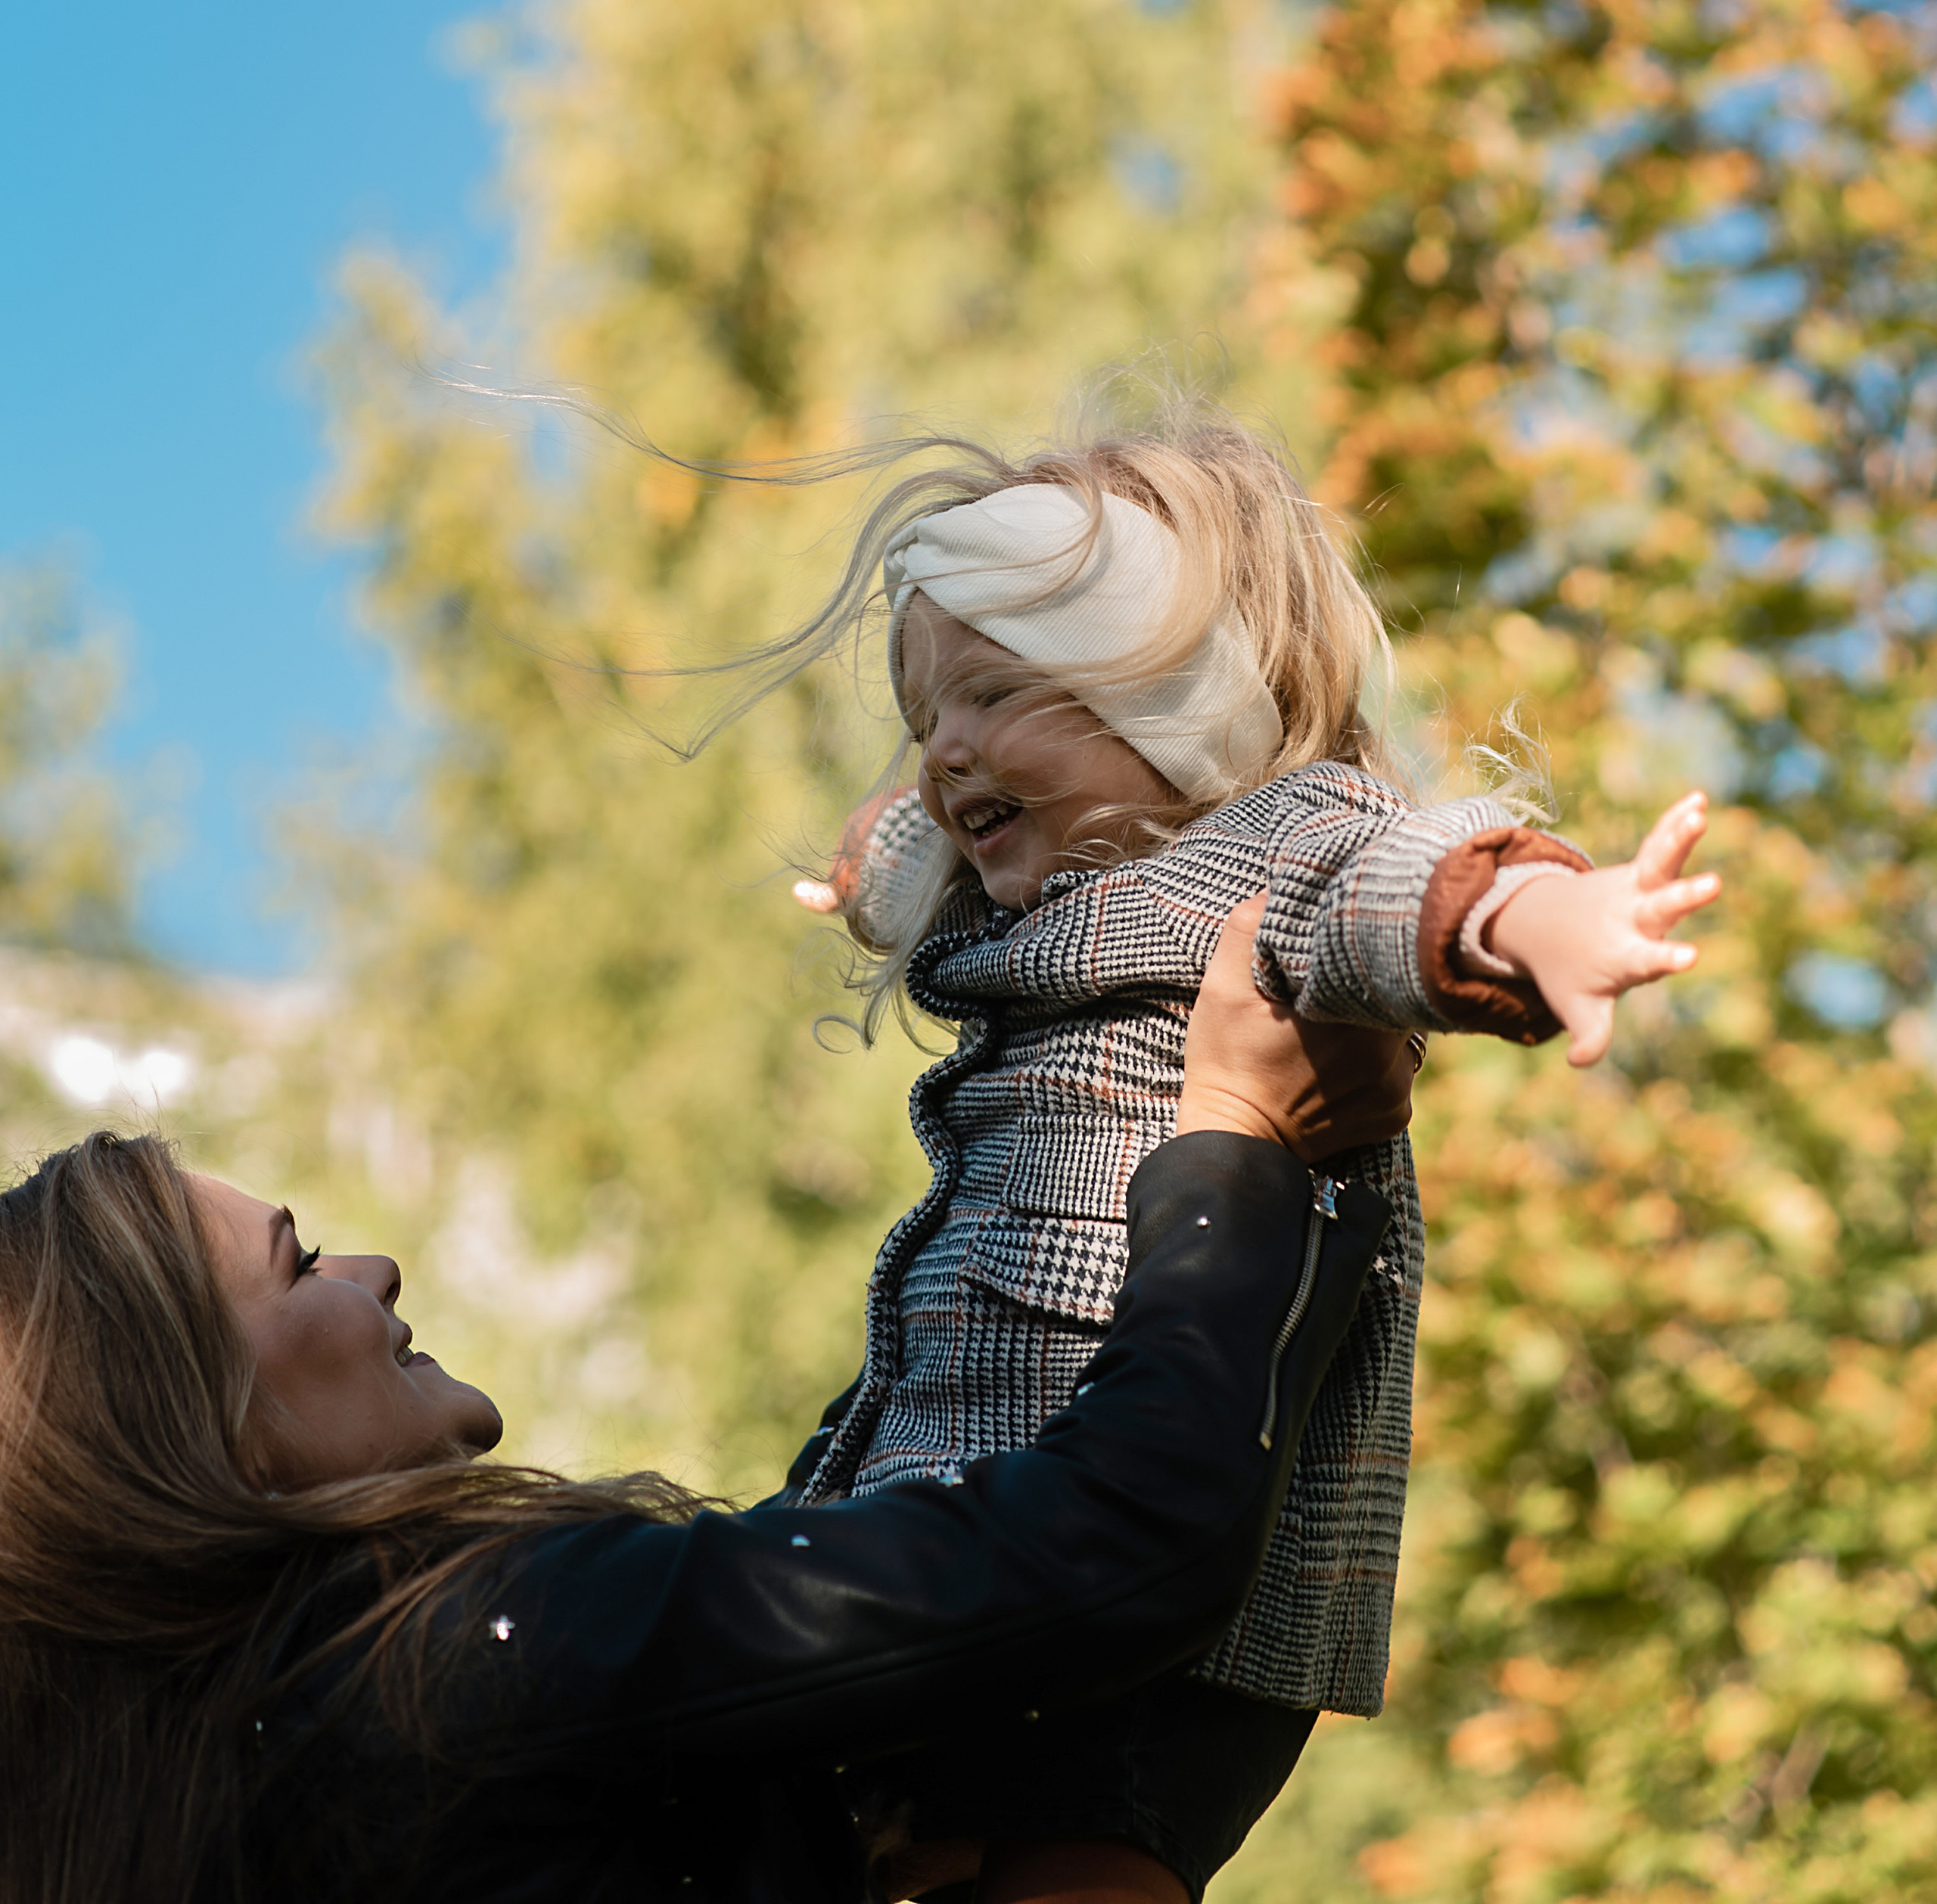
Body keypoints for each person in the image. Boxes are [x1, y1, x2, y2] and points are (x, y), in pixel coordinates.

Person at [776, 407, 1720, 1902]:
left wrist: (1551, 925)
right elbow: (918, 847)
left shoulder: (1275, 848)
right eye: (924, 713)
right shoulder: (1034, 879)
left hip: (1159, 1590)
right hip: (972, 1520)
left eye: (999, 691)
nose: (946, 747)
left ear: (1179, 704)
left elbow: (1410, 885)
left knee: (1083, 1851)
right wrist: (873, 856)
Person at [0, 903, 1396, 1904]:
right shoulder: (451, 1664)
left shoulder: (190, 1793)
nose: (373, 1265)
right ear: (188, 1428)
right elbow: (1115, 1546)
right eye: (298, 1262)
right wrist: (1240, 1148)